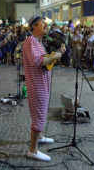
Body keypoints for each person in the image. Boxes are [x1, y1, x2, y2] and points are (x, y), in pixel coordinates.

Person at [23, 15, 65, 162]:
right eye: (43, 23)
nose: (46, 25)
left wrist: (56, 54)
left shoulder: (38, 41)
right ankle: (32, 150)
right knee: (39, 113)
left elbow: (46, 61)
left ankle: (39, 137)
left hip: (42, 82)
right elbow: (39, 61)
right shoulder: (30, 41)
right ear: (34, 26)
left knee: (41, 111)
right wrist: (56, 56)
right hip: (36, 84)